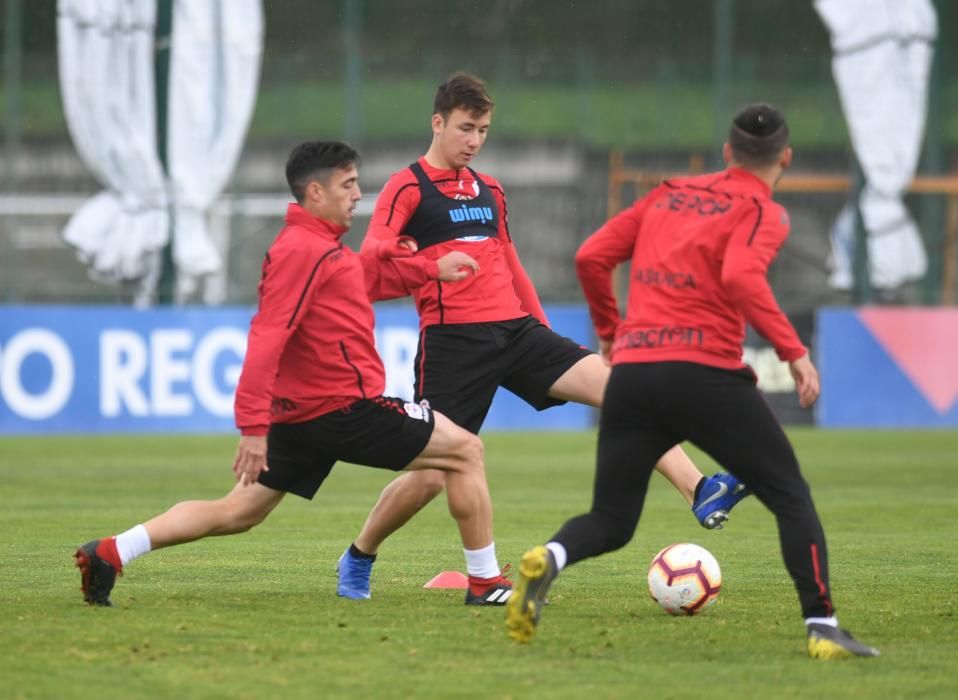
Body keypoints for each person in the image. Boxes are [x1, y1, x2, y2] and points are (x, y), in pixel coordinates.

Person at [335, 71, 750, 602]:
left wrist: (543, 336)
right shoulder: (407, 186)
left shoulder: (491, 190)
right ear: (437, 123)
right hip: (454, 343)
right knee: (434, 476)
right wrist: (431, 263)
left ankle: (700, 489)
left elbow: (511, 263)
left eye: (483, 130)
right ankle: (360, 554)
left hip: (518, 332)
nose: (474, 140)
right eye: (465, 128)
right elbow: (372, 255)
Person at [504, 104, 879, 660]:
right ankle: (822, 627)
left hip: (632, 372)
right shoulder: (763, 212)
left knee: (610, 519)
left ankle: (549, 559)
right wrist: (795, 353)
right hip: (704, 375)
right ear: (786, 159)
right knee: (790, 496)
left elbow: (591, 256)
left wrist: (610, 332)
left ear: (726, 154)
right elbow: (740, 276)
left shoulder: (666, 194)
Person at [73, 141, 514, 607]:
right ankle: (484, 582)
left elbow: (363, 278)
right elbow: (267, 337)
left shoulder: (320, 249)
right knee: (466, 449)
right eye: (348, 185)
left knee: (238, 511)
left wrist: (427, 268)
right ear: (315, 191)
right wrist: (252, 428)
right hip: (343, 410)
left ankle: (112, 551)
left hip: (305, 417)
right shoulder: (303, 251)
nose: (357, 195)